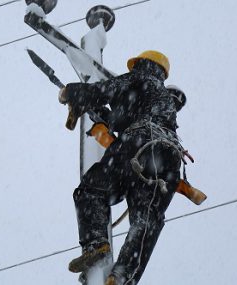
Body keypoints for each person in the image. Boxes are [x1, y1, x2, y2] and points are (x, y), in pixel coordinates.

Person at [59, 50, 187, 285]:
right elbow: (122, 117)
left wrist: (73, 93)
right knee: (147, 218)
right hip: (169, 158)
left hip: (137, 143)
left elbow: (103, 91)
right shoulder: (163, 98)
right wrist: (102, 115)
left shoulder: (139, 77)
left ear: (143, 64)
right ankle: (122, 276)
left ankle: (96, 244)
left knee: (90, 191)